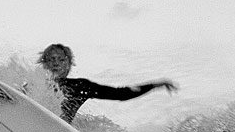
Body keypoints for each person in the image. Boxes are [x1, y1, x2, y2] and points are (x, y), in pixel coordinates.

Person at [38, 43, 178, 123]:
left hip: (58, 130)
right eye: (51, 59)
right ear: (45, 63)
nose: (56, 63)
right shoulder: (35, 84)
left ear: (69, 64)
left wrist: (153, 85)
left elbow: (120, 94)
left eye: (61, 59)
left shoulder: (80, 86)